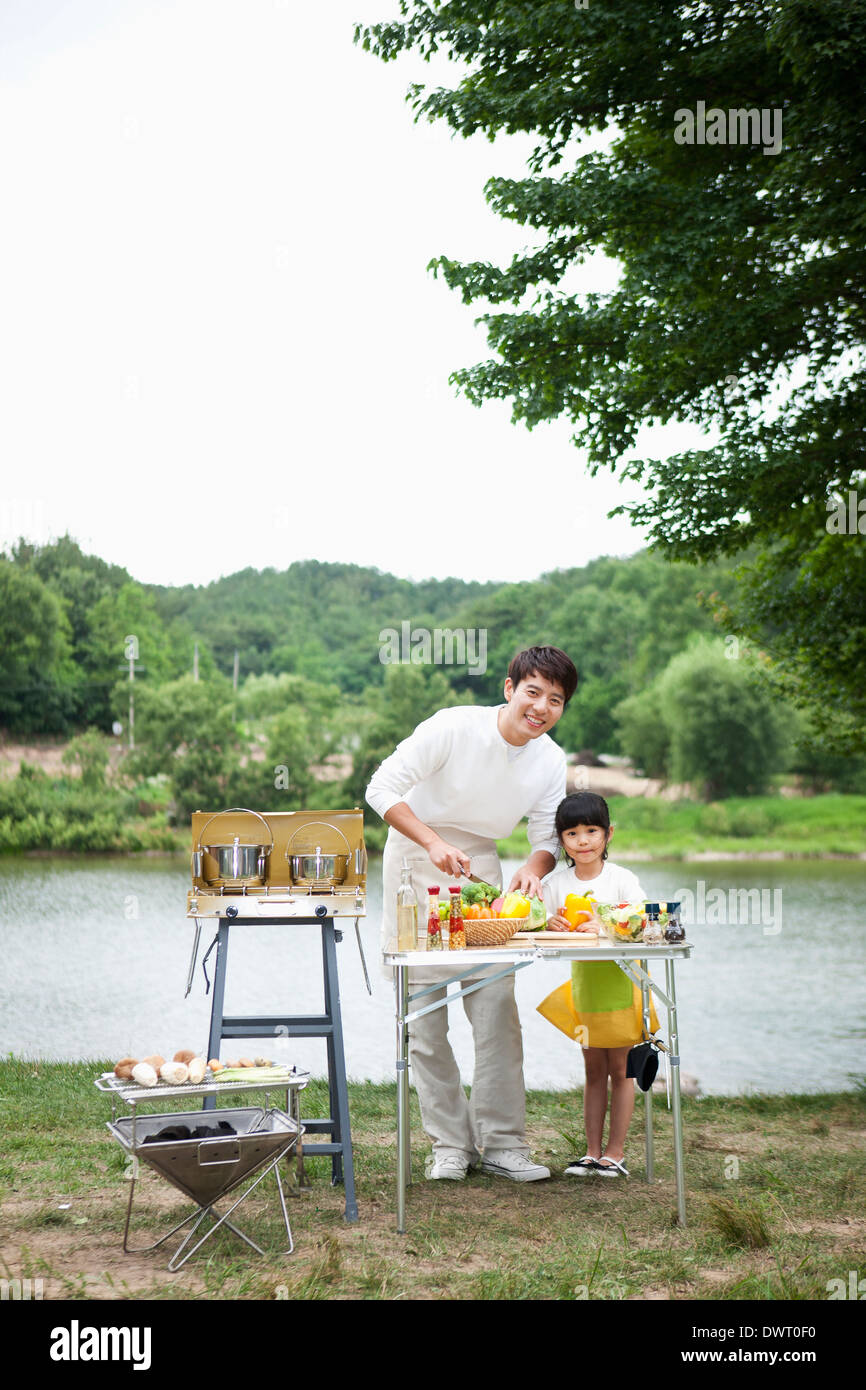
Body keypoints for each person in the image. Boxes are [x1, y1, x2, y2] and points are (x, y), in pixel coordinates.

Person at [366, 645, 578, 1182]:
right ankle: (449, 1147)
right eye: (533, 692)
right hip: (415, 860)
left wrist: (533, 866)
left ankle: (504, 1145)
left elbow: (547, 835)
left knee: (497, 1009)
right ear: (509, 689)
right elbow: (380, 788)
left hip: (480, 865)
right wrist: (433, 842)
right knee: (423, 1017)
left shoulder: (551, 759)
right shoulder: (453, 727)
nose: (541, 707)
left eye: (555, 699)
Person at [538, 791, 658, 1178]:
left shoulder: (622, 879)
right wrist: (549, 923)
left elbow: (643, 922)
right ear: (561, 840)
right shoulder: (556, 883)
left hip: (623, 984)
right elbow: (539, 921)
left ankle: (615, 1153)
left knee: (621, 1069)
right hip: (586, 987)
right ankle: (591, 1153)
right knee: (593, 1070)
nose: (583, 840)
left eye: (591, 831)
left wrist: (605, 925)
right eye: (572, 833)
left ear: (608, 834)